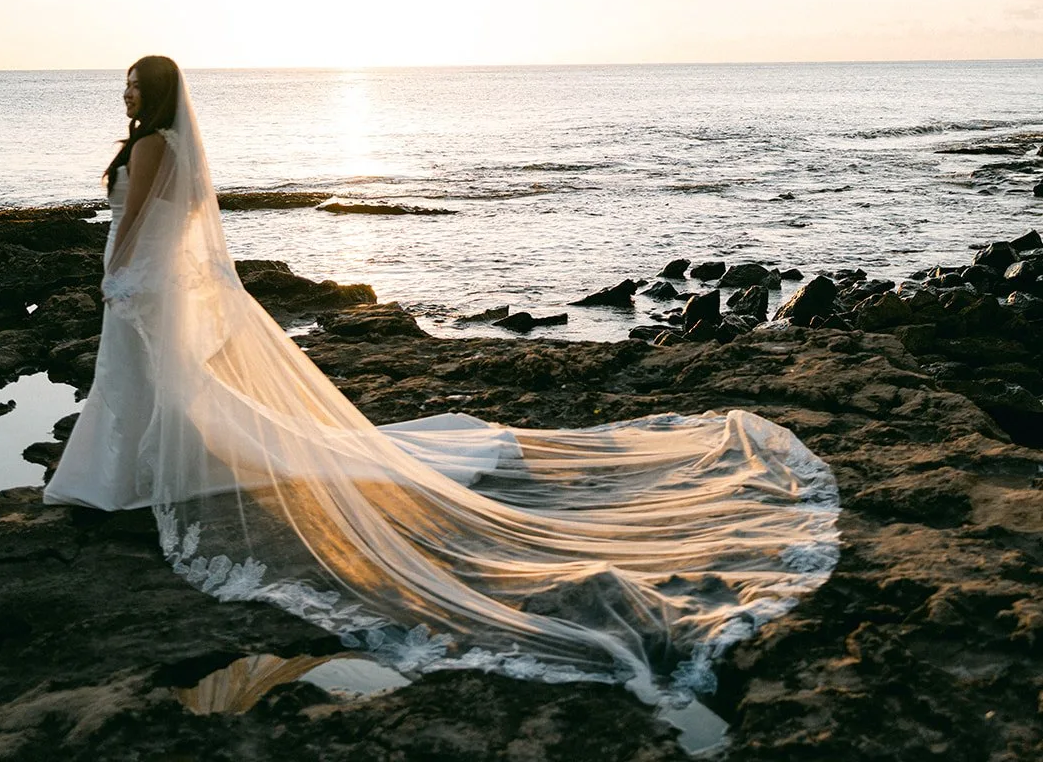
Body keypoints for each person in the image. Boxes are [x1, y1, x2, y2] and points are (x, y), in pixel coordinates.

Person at [46, 58, 839, 742]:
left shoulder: (154, 144)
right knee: (152, 386)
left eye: (130, 84)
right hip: (154, 286)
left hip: (141, 287)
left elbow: (141, 221)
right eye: (121, 85)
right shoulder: (166, 142)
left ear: (153, 91)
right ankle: (135, 473)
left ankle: (127, 477)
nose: (123, 95)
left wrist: (116, 274)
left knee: (145, 382)